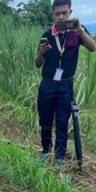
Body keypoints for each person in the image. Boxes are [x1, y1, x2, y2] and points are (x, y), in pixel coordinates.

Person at [35, 0, 96, 169]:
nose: (61, 17)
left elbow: (93, 47)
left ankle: (60, 157)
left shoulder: (77, 33)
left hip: (65, 85)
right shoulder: (47, 35)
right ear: (52, 14)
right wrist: (41, 52)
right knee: (45, 120)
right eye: (57, 14)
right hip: (47, 84)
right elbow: (37, 64)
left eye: (64, 13)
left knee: (62, 122)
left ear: (70, 12)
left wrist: (81, 31)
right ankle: (45, 151)